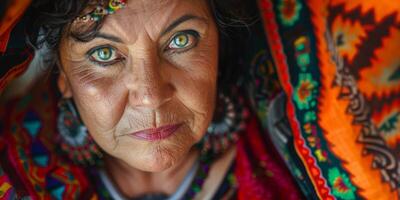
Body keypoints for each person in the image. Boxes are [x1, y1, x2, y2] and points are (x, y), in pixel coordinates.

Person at [1, 0, 399, 199]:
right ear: (64, 77)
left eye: (181, 40)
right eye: (104, 54)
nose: (152, 96)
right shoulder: (11, 169)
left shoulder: (291, 163)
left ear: (218, 49)